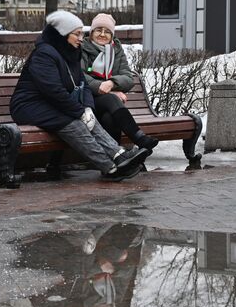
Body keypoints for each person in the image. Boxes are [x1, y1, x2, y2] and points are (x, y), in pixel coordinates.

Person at [9, 10, 152, 182]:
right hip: (29, 106)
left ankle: (119, 155)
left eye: (81, 33)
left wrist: (87, 107)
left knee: (88, 119)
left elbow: (82, 84)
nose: (80, 38)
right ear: (62, 34)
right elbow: (53, 91)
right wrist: (79, 111)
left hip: (53, 104)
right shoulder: (44, 54)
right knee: (74, 122)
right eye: (76, 34)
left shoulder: (71, 52)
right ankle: (110, 167)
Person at [81, 13, 159, 150]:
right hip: (86, 102)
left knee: (109, 119)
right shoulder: (82, 48)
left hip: (107, 107)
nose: (102, 34)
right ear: (92, 32)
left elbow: (128, 78)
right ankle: (138, 137)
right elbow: (79, 75)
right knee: (111, 100)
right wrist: (102, 87)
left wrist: (111, 84)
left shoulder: (116, 50)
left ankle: (116, 157)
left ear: (112, 35)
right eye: (98, 30)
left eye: (107, 32)